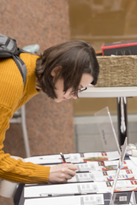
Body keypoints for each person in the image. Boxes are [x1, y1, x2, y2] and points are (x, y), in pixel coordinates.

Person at [1, 40, 99, 184]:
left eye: (81, 89)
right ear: (56, 71)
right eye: (75, 87)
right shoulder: (10, 84)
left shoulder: (31, 69)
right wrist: (45, 173)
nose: (75, 95)